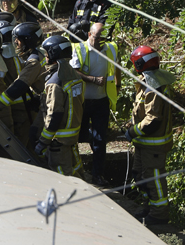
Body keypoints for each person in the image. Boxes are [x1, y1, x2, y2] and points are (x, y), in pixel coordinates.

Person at [125, 46, 175, 225]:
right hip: (144, 143)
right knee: (140, 175)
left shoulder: (153, 86)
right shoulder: (148, 81)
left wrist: (132, 131)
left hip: (153, 144)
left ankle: (160, 215)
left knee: (154, 180)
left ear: (140, 64)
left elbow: (153, 119)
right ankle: (149, 206)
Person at [70, 23, 120, 186]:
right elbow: (73, 71)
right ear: (89, 35)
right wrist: (92, 79)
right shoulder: (80, 49)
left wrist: (117, 86)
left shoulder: (110, 49)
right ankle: (77, 171)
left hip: (101, 101)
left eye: (102, 39)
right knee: (82, 136)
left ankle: (98, 175)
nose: (100, 42)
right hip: (83, 101)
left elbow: (117, 68)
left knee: (100, 140)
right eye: (97, 38)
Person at [34, 35, 85, 177]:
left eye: (46, 53)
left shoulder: (55, 82)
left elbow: (54, 114)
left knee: (63, 177)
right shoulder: (74, 75)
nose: (45, 56)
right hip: (72, 136)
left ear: (53, 53)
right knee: (77, 171)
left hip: (58, 141)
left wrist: (43, 142)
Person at [0, 22, 47, 112]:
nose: (16, 42)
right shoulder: (41, 53)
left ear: (28, 41)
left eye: (18, 39)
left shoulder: (34, 61)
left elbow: (20, 84)